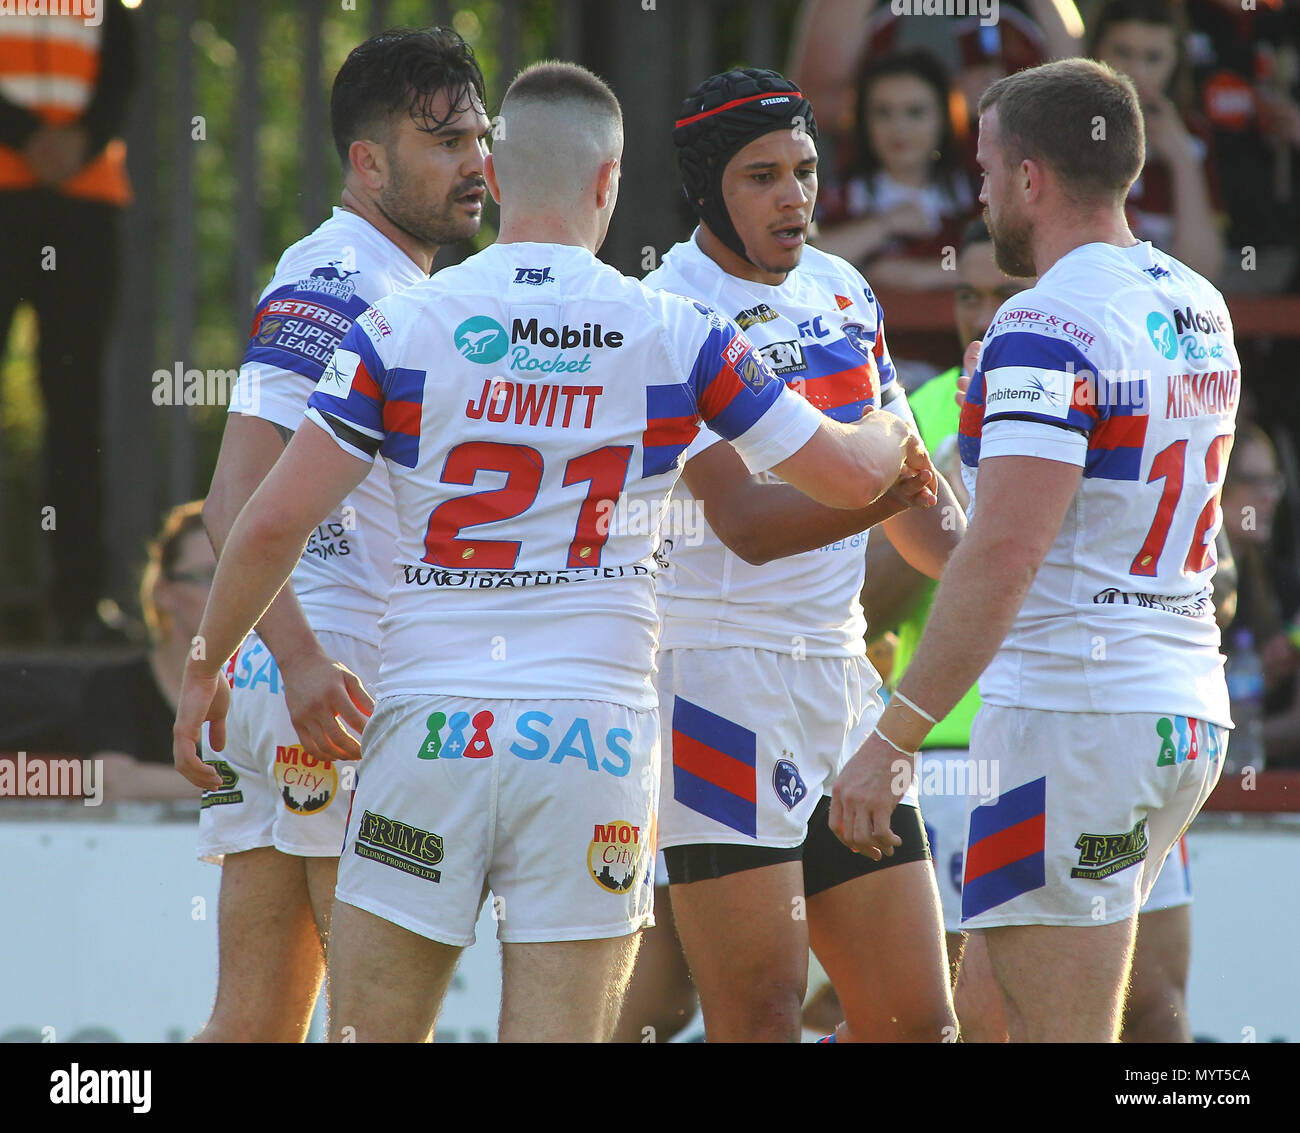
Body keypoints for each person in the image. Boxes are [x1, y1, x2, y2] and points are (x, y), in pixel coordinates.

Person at [173, 60, 934, 1044]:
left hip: (427, 725)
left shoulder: (399, 323)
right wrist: (889, 435)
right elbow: (842, 474)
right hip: (593, 735)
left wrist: (204, 669)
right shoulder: (671, 326)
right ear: (607, 183)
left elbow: (263, 521)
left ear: (500, 173)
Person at [831, 57, 1240, 1043]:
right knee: (990, 1016)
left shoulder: (1044, 319)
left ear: (1027, 178)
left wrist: (890, 739)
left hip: (1074, 719)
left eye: (981, 170)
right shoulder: (1198, 302)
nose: (974, 191)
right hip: (1179, 709)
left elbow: (1003, 553)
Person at [634, 68, 961, 1044]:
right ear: (706, 188)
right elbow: (747, 521)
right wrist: (880, 490)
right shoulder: (668, 307)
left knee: (915, 1021)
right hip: (715, 685)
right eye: (762, 175)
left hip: (839, 674)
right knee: (760, 1015)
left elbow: (927, 520)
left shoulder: (845, 289)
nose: (794, 196)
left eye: (806, 170)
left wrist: (1024, 567)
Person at [191, 27, 490, 1043]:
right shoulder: (337, 275)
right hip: (335, 681)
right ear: (369, 162)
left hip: (302, 682)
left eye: (479, 140)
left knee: (254, 1021)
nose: (477, 165)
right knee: (373, 1027)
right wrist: (301, 656)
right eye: (443, 142)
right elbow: (235, 501)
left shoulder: (382, 278)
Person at [0, 2, 138, 643]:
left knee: (77, 405)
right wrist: (26, 133)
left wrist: (82, 138)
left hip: (85, 202)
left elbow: (124, 65)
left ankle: (78, 606)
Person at [816, 49, 980, 290]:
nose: (899, 128)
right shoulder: (839, 196)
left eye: (915, 112)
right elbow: (802, 262)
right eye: (883, 112)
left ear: (945, 119)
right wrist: (885, 225)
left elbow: (1016, 267)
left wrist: (919, 275)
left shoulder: (977, 195)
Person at [1086, 0, 1224, 280]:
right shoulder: (1063, 126)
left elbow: (1202, 271)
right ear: (1095, 50)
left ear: (1176, 62)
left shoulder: (1192, 135)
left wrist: (1183, 161)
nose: (1136, 72)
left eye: (1153, 58)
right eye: (1122, 52)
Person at [1219, 421, 1300, 768]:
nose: (1267, 496)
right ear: (1217, 485)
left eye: (1273, 482)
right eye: (1252, 481)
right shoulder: (1184, 584)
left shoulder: (1284, 586)